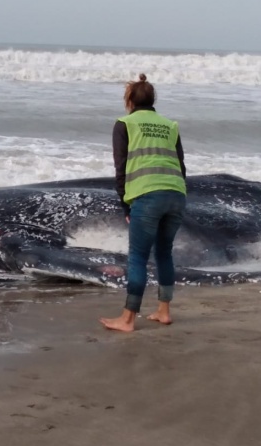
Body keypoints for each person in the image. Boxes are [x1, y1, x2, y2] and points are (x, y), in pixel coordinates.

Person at [100, 74, 187, 332]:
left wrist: (126, 206)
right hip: (176, 193)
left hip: (147, 195)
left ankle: (127, 319)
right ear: (153, 100)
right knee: (164, 253)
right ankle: (163, 311)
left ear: (129, 100)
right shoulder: (170, 125)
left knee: (138, 256)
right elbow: (181, 165)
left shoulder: (125, 124)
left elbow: (121, 168)